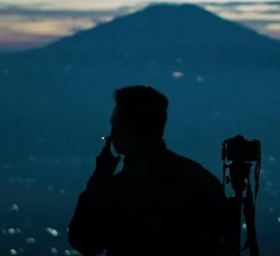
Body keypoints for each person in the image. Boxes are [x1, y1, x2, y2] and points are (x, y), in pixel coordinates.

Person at [68, 85, 231, 256]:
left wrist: (99, 181)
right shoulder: (202, 179)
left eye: (114, 126)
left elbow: (85, 241)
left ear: (126, 128)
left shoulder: (120, 188)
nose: (111, 134)